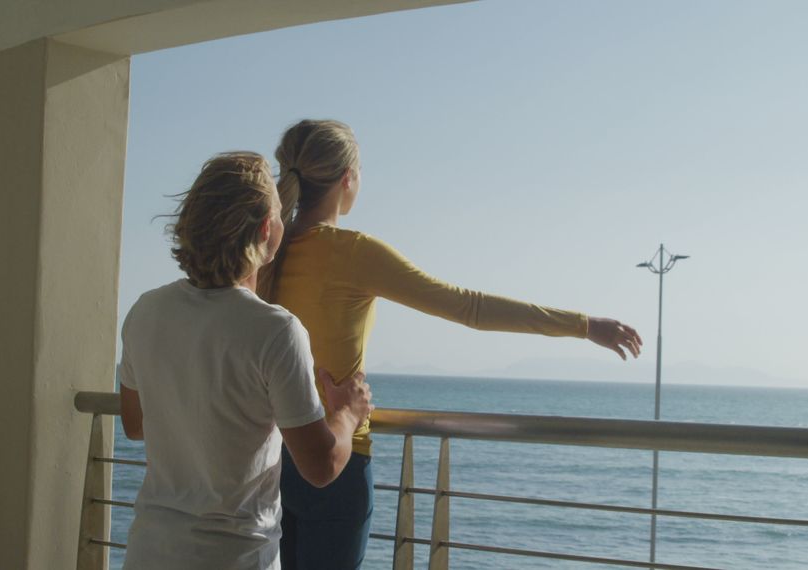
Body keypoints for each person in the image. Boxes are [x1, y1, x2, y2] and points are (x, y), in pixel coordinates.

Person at [256, 120, 644, 569]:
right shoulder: (354, 252)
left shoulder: (268, 250)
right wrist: (583, 324)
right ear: (348, 178)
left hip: (276, 462)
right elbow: (469, 308)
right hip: (335, 466)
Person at [118, 151, 374, 570]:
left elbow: (134, 423)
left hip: (150, 552)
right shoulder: (275, 330)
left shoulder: (146, 311)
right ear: (266, 230)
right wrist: (348, 413)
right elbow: (321, 467)